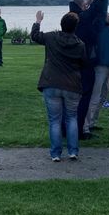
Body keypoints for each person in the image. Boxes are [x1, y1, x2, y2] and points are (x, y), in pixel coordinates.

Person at [31, 10, 87, 162]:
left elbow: (35, 36)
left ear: (61, 24)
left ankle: (56, 154)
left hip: (51, 83)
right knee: (72, 118)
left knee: (55, 120)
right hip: (72, 85)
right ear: (75, 27)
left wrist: (37, 21)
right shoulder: (80, 45)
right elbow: (84, 63)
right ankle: (73, 151)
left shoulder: (51, 37)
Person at [68, 0, 109, 136]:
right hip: (85, 63)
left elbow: (92, 4)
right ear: (83, 6)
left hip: (71, 65)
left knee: (71, 100)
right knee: (84, 97)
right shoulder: (84, 19)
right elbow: (99, 6)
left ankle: (69, 128)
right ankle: (80, 130)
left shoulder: (72, 17)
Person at [83, 12, 109, 138]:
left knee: (103, 96)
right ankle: (86, 126)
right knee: (95, 96)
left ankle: (92, 122)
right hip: (100, 66)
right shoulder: (100, 28)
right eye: (108, 15)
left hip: (108, 67)